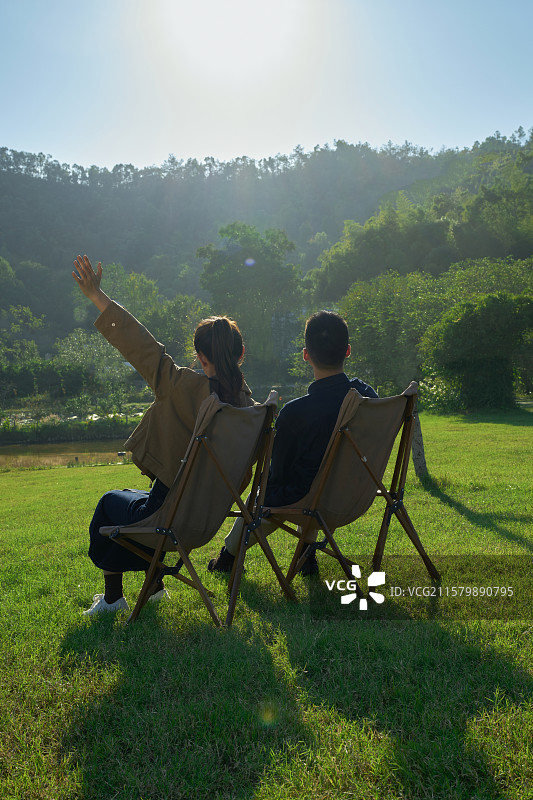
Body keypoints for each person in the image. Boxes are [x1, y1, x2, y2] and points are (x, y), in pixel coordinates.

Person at [72, 255, 253, 614]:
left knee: (111, 502)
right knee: (131, 496)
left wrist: (97, 295)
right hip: (207, 519)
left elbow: (139, 344)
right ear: (241, 354)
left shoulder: (181, 385)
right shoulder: (252, 411)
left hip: (169, 518)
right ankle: (153, 587)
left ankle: (112, 600)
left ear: (200, 358)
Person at [208, 309, 378, 576]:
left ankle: (228, 556)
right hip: (356, 495)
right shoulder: (370, 398)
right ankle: (306, 554)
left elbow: (276, 478)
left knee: (271, 492)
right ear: (347, 351)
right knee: (313, 479)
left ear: (305, 355)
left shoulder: (296, 413)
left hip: (310, 503)